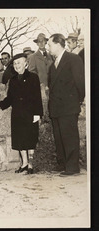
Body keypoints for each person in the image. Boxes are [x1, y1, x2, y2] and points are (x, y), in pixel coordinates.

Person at [0, 53, 43, 174]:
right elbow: (10, 98)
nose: (16, 65)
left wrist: (38, 114)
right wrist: (0, 105)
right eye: (14, 63)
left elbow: (37, 97)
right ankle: (24, 163)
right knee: (20, 139)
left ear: (26, 64)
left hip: (30, 114)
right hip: (17, 114)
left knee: (30, 139)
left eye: (19, 63)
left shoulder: (33, 77)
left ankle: (31, 165)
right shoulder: (12, 80)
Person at [47, 33, 85, 176]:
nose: (48, 48)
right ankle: (62, 164)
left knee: (69, 137)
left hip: (69, 106)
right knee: (59, 137)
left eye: (50, 45)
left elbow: (80, 83)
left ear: (58, 44)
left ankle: (72, 167)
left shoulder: (73, 59)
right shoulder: (52, 66)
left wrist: (77, 100)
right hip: (56, 108)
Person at [27, 33, 54, 118]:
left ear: (46, 42)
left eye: (43, 41)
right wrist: (40, 84)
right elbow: (31, 73)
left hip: (51, 88)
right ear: (37, 43)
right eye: (39, 41)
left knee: (51, 111)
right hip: (40, 88)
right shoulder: (33, 57)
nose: (41, 43)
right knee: (42, 111)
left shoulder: (51, 56)